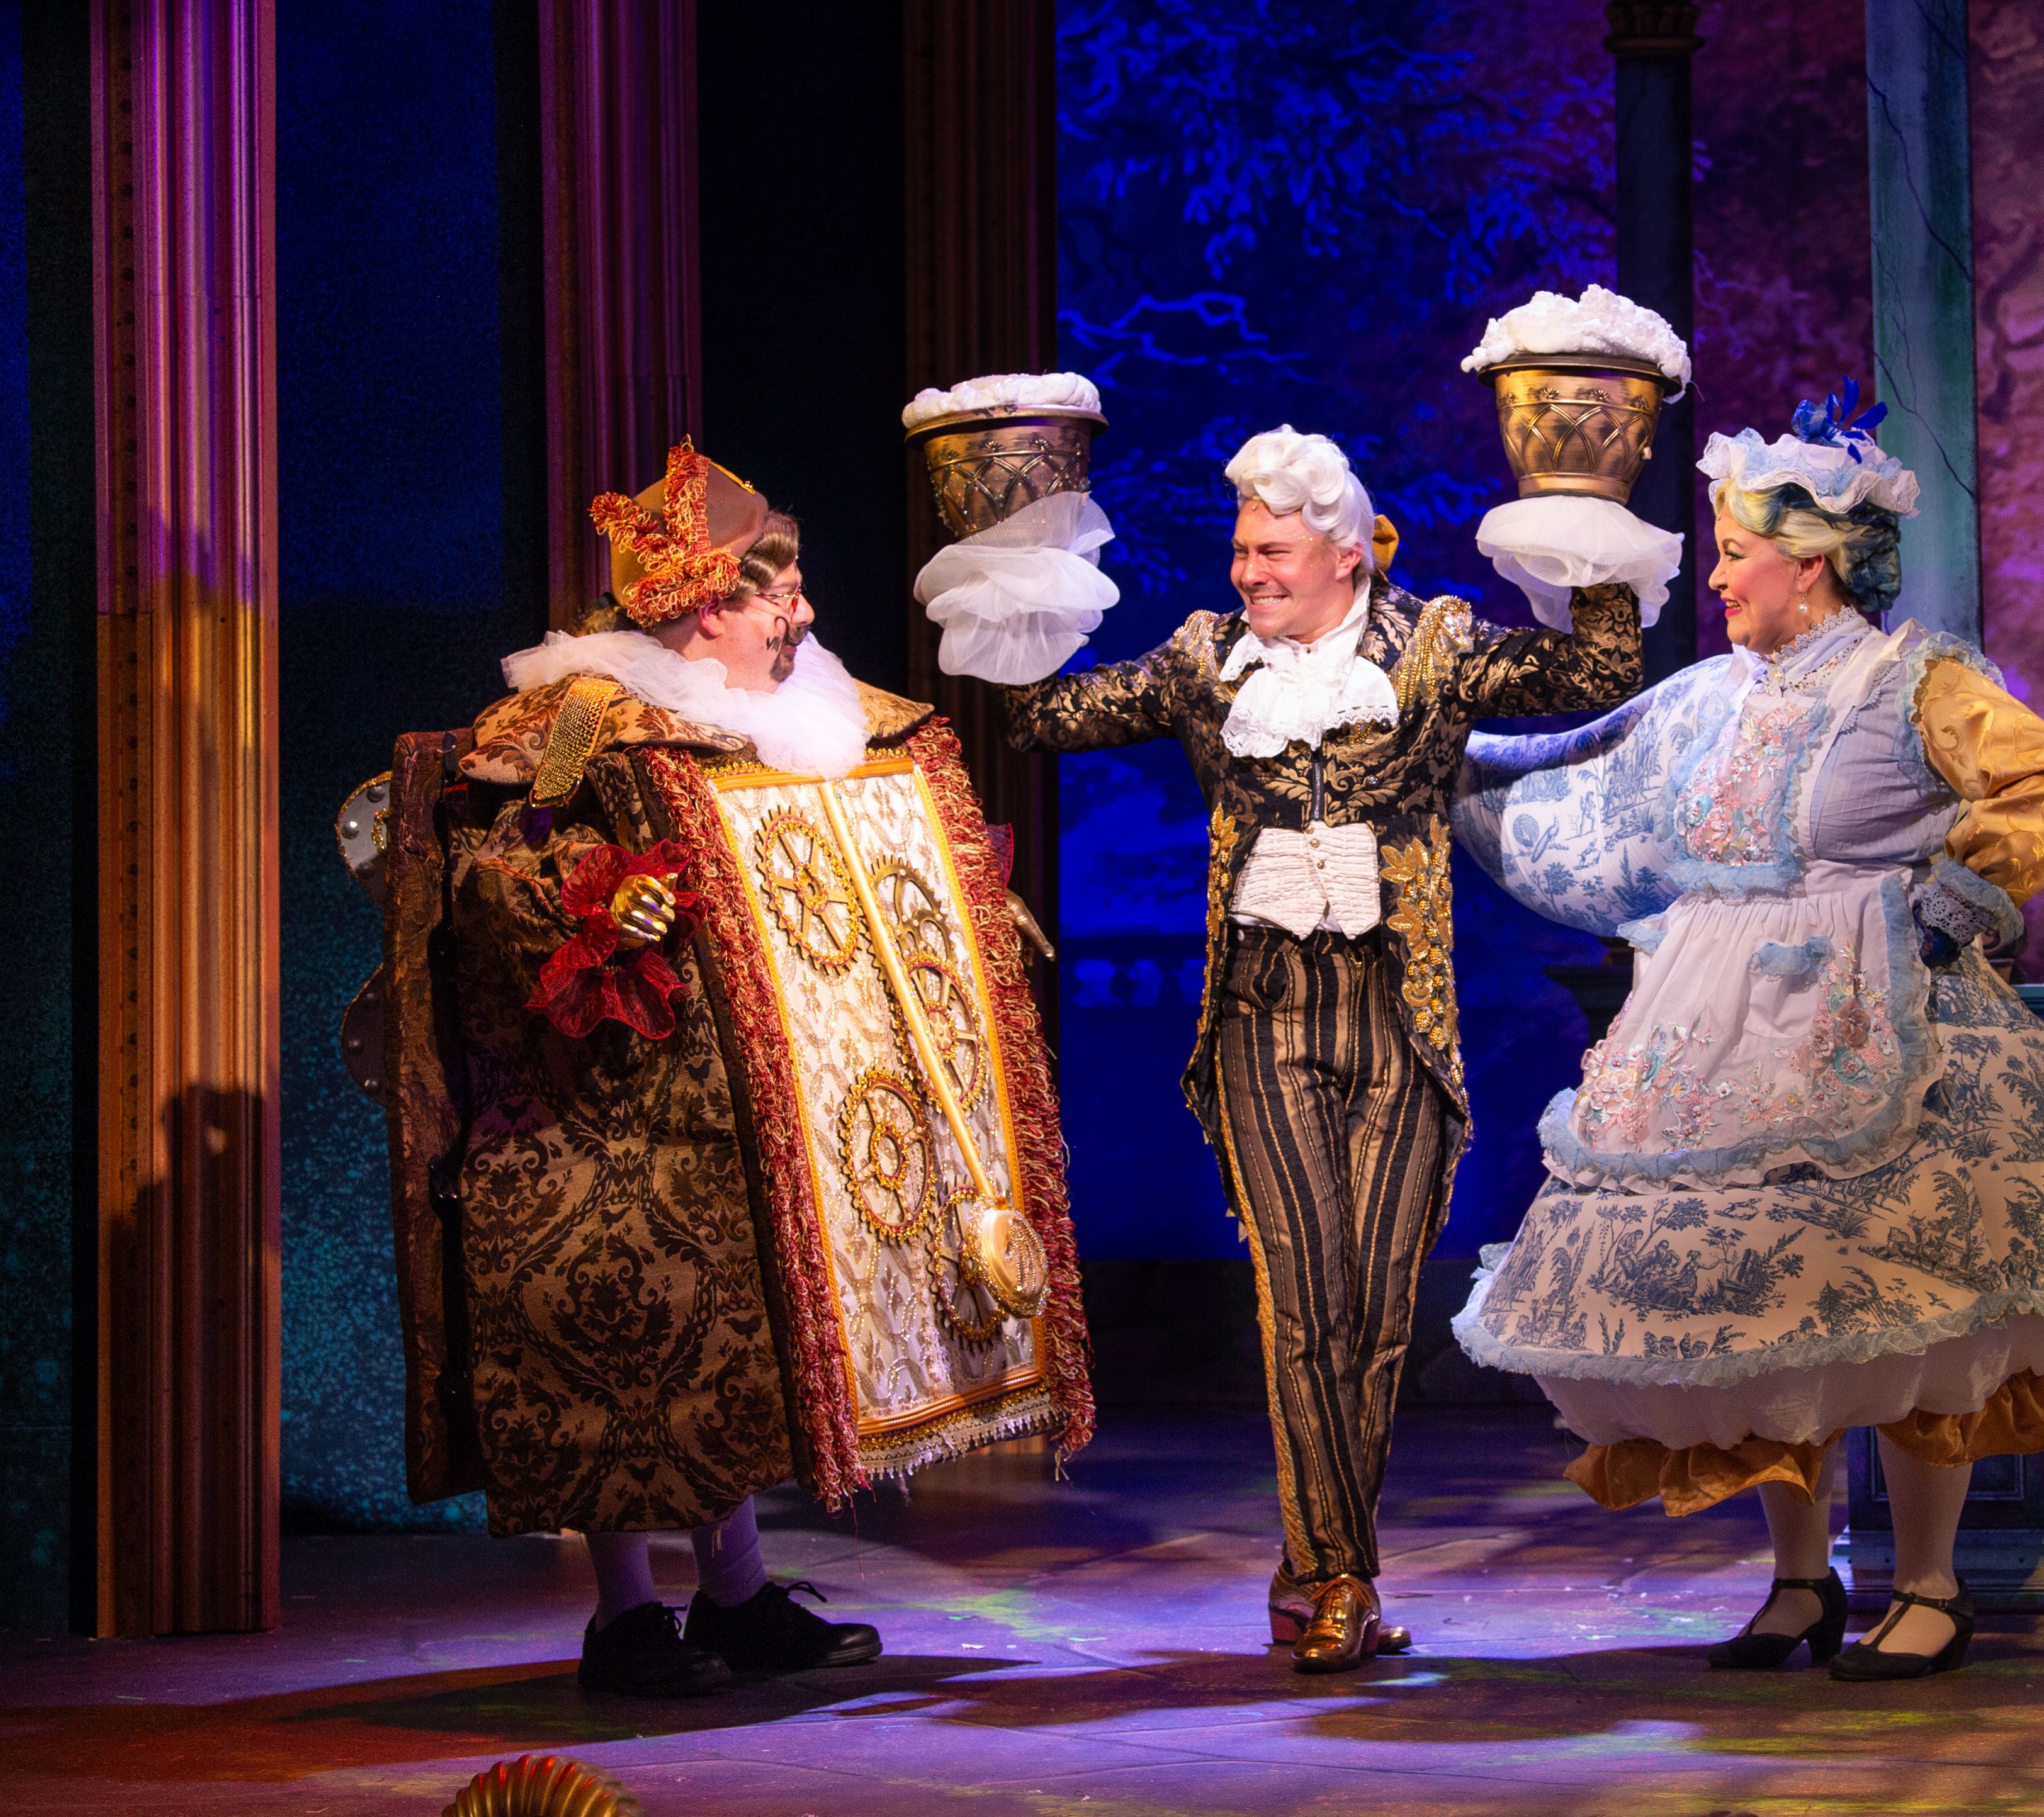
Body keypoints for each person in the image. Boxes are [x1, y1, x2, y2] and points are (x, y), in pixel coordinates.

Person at [1447, 390, 2044, 1681]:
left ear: (1807, 562)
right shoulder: (1710, 695)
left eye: (1734, 553)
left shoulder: (1911, 680)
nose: (1717, 576)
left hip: (1877, 1010)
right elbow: (1582, 774)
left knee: (1907, 1303)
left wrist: (1955, 896)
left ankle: (1926, 1586)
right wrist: (1429, 745)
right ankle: (1798, 1583)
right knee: (1773, 1305)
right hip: (1711, 1026)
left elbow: (2043, 782)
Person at [368, 441, 1090, 1697]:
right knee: (630, 1364)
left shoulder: (823, 716)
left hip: (763, 1129)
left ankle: (739, 1599)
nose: (803, 610)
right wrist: (595, 906)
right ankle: (625, 1616)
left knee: (734, 1375)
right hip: (612, 1117)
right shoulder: (582, 722)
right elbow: (498, 863)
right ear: (705, 604)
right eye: (778, 590)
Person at [956, 426, 1646, 1672]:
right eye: (1238, 550)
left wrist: (1581, 504)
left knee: (1374, 1315)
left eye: (1270, 550)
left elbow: (1595, 664)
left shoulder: (1434, 649)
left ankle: (1316, 1567)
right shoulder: (1203, 661)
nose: (1246, 573)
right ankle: (1338, 1577)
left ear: (1343, 554)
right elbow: (1041, 717)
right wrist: (1012, 556)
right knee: (1301, 1299)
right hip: (1264, 1020)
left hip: (1395, 1023)